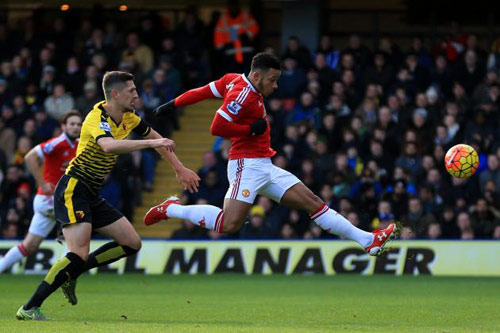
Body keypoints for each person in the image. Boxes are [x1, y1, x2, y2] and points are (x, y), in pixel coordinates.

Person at [147, 53, 398, 255]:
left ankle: (368, 240)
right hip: (245, 165)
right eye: (272, 79)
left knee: (313, 202)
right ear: (256, 75)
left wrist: (173, 104)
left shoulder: (233, 80)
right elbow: (216, 127)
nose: (276, 85)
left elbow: (203, 91)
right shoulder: (242, 93)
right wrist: (249, 129)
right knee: (230, 224)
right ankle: (171, 209)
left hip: (264, 165)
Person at [16, 71, 200, 321]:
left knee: (131, 243)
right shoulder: (95, 116)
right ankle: (29, 307)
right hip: (74, 188)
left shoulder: (130, 118)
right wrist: (149, 144)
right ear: (115, 94)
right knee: (78, 252)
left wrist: (179, 168)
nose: (136, 94)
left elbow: (159, 139)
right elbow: (109, 146)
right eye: (131, 90)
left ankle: (73, 273)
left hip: (91, 192)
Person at [0, 111, 82, 274]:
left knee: (29, 245)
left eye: (78, 124)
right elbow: (30, 157)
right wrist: (42, 183)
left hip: (58, 200)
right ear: (63, 126)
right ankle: (63, 275)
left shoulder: (80, 144)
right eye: (72, 124)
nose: (75, 127)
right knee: (76, 236)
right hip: (49, 200)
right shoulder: (57, 143)